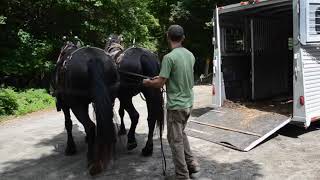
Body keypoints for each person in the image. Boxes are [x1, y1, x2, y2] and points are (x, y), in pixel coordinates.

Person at [143, 25, 200, 180]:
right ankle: (192, 164)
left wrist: (148, 82)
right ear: (183, 38)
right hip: (188, 104)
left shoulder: (169, 58)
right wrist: (160, 78)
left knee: (175, 141)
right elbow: (174, 76)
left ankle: (182, 175)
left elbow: (160, 83)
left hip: (176, 106)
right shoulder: (190, 55)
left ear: (168, 37)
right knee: (181, 134)